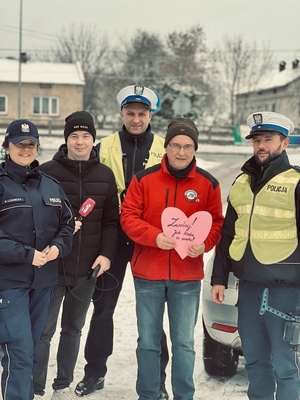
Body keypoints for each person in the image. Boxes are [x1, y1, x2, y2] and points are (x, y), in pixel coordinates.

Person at [75, 85, 170, 399]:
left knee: (153, 313)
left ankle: (157, 378)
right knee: (102, 309)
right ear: (121, 114)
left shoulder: (165, 148)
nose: (136, 118)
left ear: (150, 115)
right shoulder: (104, 146)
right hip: (113, 238)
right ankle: (94, 373)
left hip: (150, 239)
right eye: (130, 113)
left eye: (142, 113)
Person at [120, 117, 224, 400]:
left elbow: (217, 221)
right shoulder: (143, 179)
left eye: (188, 146)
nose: (181, 152)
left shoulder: (208, 184)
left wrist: (205, 243)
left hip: (187, 278)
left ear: (195, 148)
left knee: (184, 343)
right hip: (148, 276)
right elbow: (127, 217)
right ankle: (149, 394)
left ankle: (183, 395)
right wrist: (153, 236)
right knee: (148, 343)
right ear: (165, 147)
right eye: (176, 145)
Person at [211, 111, 300, 400]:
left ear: (284, 143)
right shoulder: (241, 183)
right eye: (257, 139)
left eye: (268, 139)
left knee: (286, 366)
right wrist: (218, 278)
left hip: (286, 292)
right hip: (248, 289)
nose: (261, 145)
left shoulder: (296, 183)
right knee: (255, 362)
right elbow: (227, 235)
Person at [32, 111, 119, 399]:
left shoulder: (105, 175)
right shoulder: (45, 172)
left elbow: (110, 222)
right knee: (43, 331)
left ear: (93, 140)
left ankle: (62, 384)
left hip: (86, 270)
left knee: (73, 329)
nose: (80, 142)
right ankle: (35, 385)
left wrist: (106, 255)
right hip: (51, 268)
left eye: (85, 136)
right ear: (66, 138)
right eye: (74, 136)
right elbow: (33, 219)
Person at [0, 119, 74, 400]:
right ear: (7, 146)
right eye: (20, 144)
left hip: (43, 283)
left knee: (30, 352)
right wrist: (26, 254)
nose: (26, 149)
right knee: (18, 352)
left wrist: (58, 246)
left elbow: (67, 224)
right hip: (9, 283)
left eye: (31, 144)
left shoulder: (51, 185)